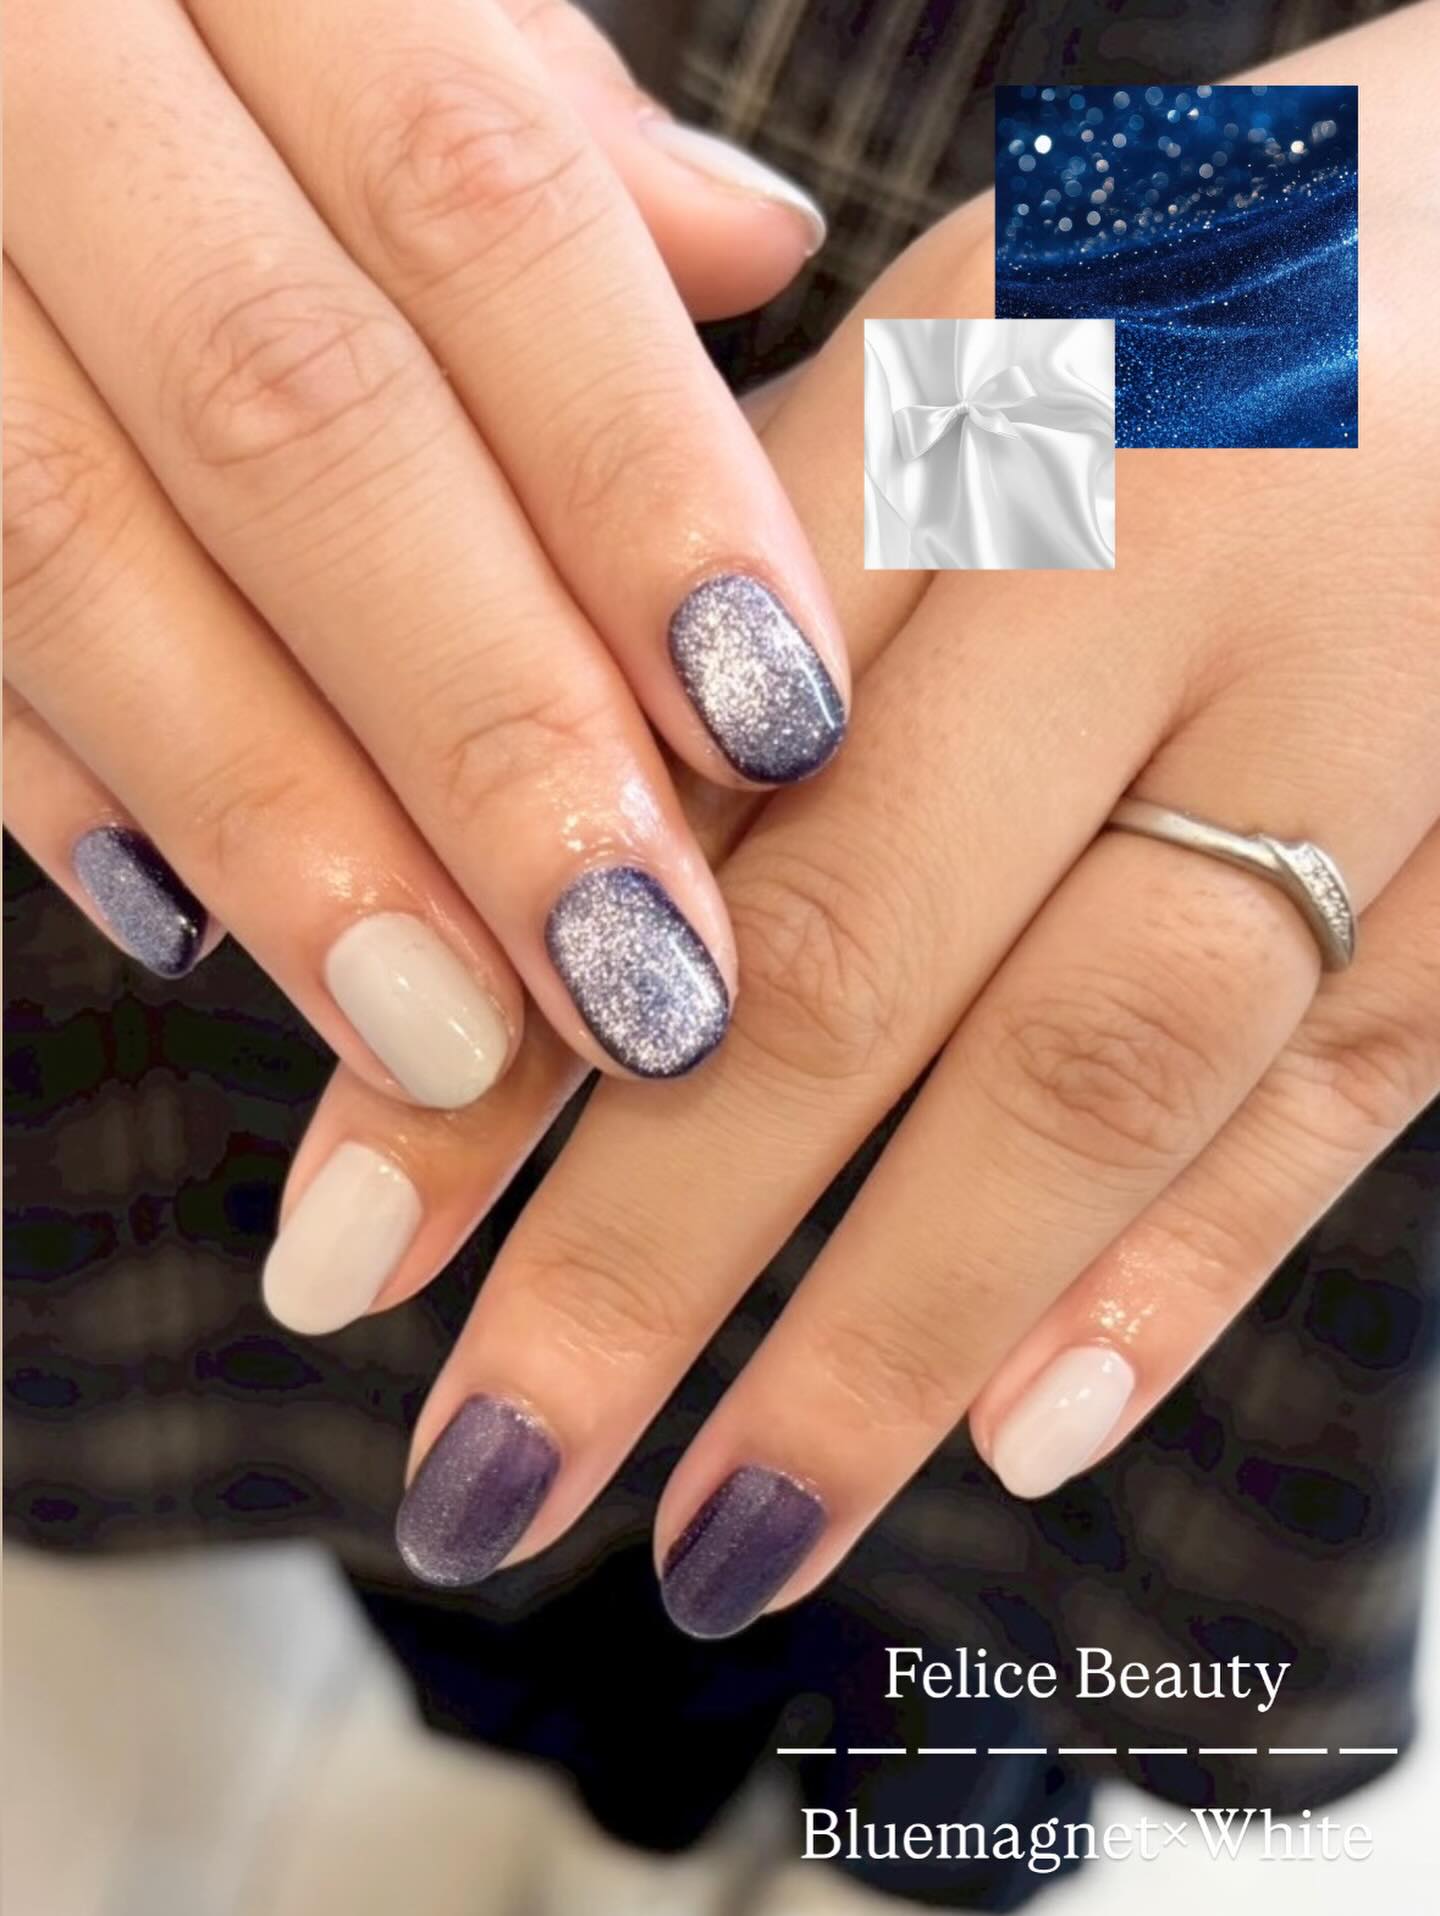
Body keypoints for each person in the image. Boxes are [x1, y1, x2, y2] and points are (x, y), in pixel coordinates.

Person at [6, 1, 1437, 1904]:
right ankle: (559, 1743)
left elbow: (1116, 319)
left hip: (1244, 377)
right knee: (387, 1346)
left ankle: (918, 1835)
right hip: (251, 318)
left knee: (982, 1500)